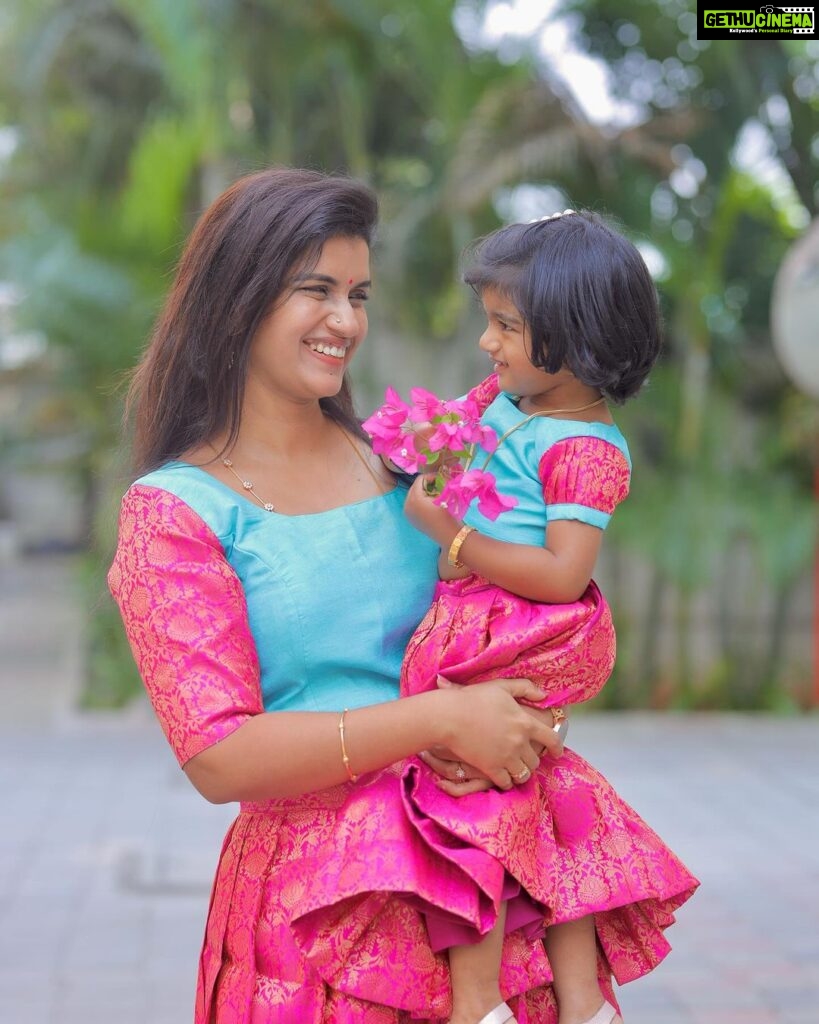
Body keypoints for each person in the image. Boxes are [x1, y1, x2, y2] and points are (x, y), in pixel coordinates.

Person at [107, 168, 694, 1024]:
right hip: (318, 921)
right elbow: (219, 757)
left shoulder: (411, 467)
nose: (345, 321)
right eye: (316, 291)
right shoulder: (174, 514)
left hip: (483, 892)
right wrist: (439, 722)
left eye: (358, 293)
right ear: (235, 301)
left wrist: (531, 719)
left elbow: (522, 618)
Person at [280, 211, 698, 1024]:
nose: (486, 342)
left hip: (512, 631)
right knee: (527, 804)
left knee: (472, 806)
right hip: (475, 625)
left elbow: (561, 573)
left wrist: (455, 537)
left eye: (506, 326)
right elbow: (433, 433)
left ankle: (486, 1002)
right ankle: (574, 1002)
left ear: (575, 340)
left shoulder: (583, 448)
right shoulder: (510, 399)